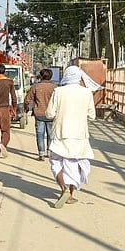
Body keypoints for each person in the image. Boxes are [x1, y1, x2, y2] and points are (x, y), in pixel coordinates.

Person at [47, 65, 97, 208]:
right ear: (79, 77)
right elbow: (92, 115)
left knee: (56, 162)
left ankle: (63, 189)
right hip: (80, 136)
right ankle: (71, 194)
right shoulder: (87, 92)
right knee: (74, 165)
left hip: (60, 134)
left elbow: (50, 113)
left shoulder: (58, 91)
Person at [25, 69, 57, 160]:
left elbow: (27, 99)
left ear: (41, 76)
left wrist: (26, 108)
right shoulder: (55, 88)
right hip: (51, 115)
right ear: (50, 76)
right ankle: (50, 152)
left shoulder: (35, 87)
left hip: (39, 114)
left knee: (40, 135)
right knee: (51, 135)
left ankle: (41, 154)